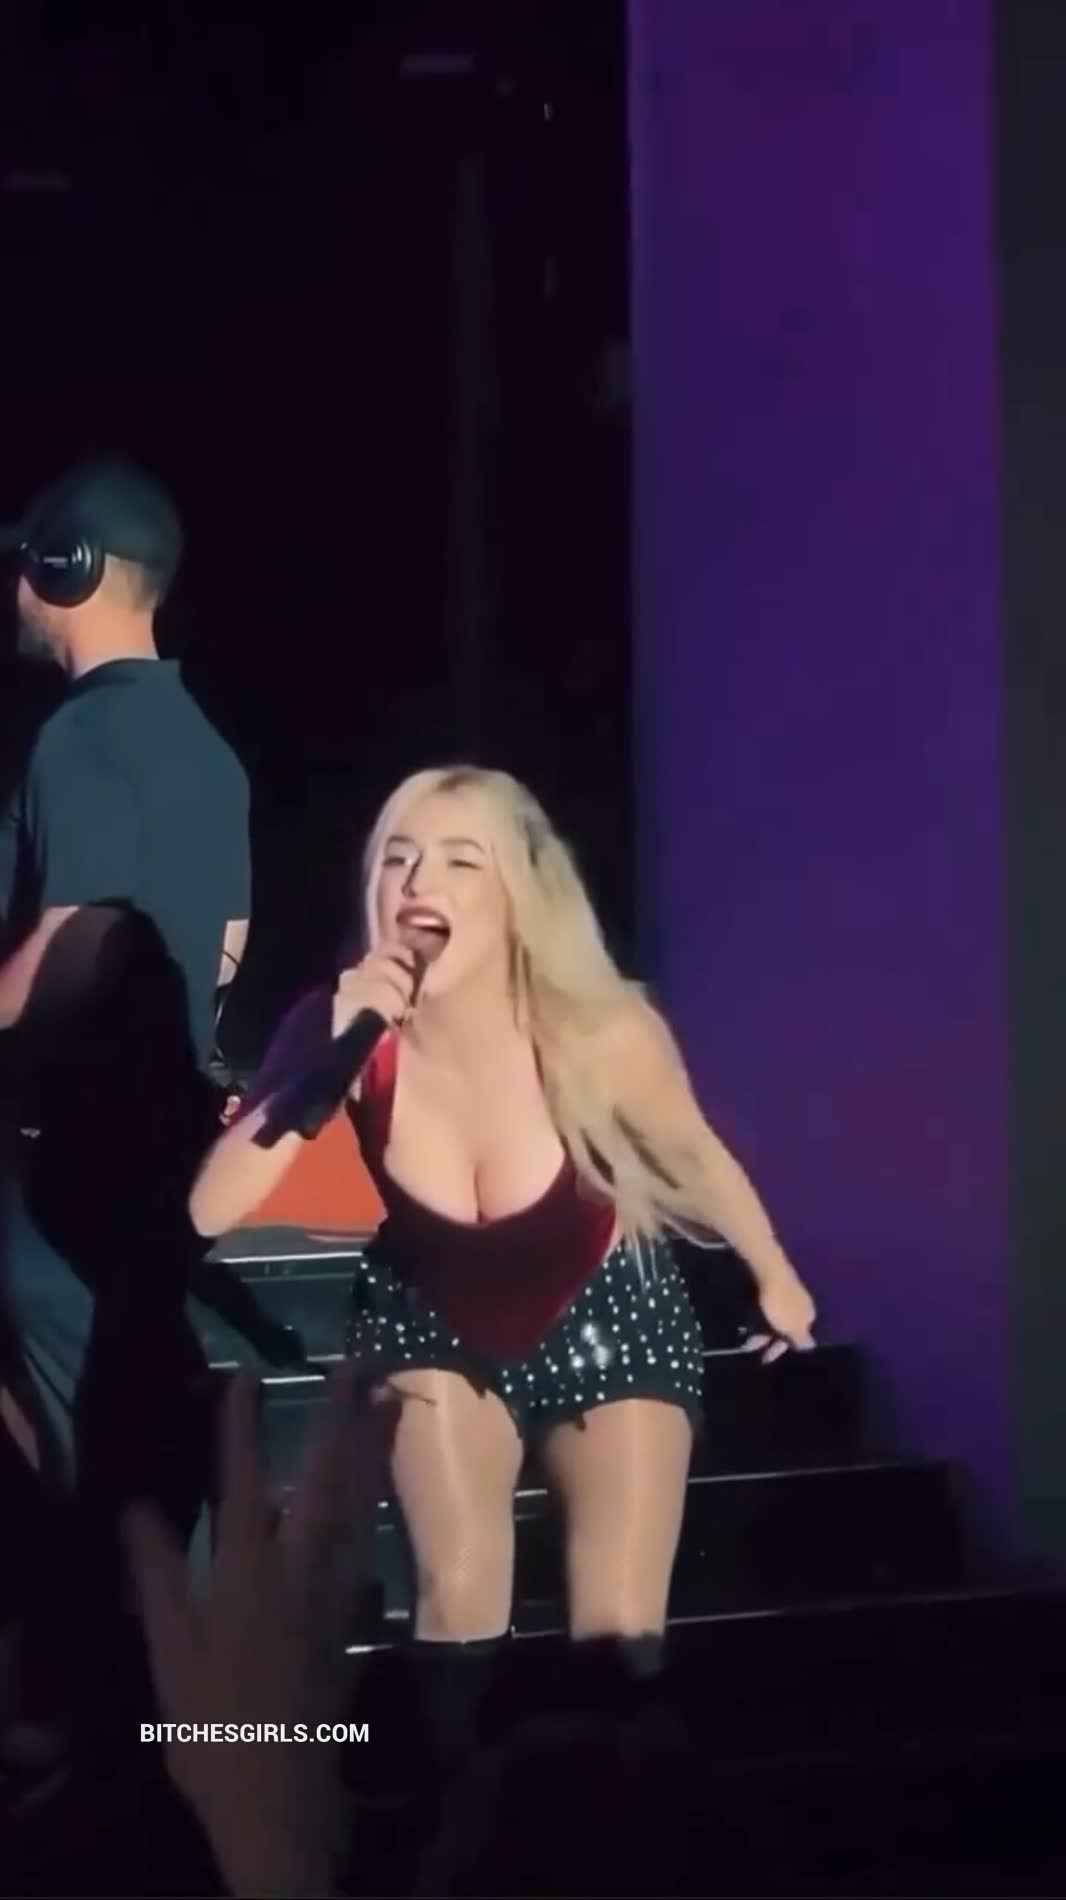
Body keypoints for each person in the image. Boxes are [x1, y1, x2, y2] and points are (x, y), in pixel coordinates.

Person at [190, 765, 816, 1764]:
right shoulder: (335, 1024)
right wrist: (322, 1061)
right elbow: (209, 1208)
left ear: (519, 892)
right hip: (429, 1313)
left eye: (459, 861)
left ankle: (614, 1822)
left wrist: (773, 1270)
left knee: (617, 1635)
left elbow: (695, 1155)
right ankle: (463, 1813)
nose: (417, 883)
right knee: (457, 1592)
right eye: (397, 858)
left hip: (610, 1309)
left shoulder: (600, 1028)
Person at [0, 459, 251, 1739]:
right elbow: (226, 953)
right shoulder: (208, 748)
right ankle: (174, 1742)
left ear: (68, 570)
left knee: (96, 1474)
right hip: (159, 1166)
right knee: (124, 1451)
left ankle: (148, 1748)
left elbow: (70, 939)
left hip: (65, 1170)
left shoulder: (81, 734)